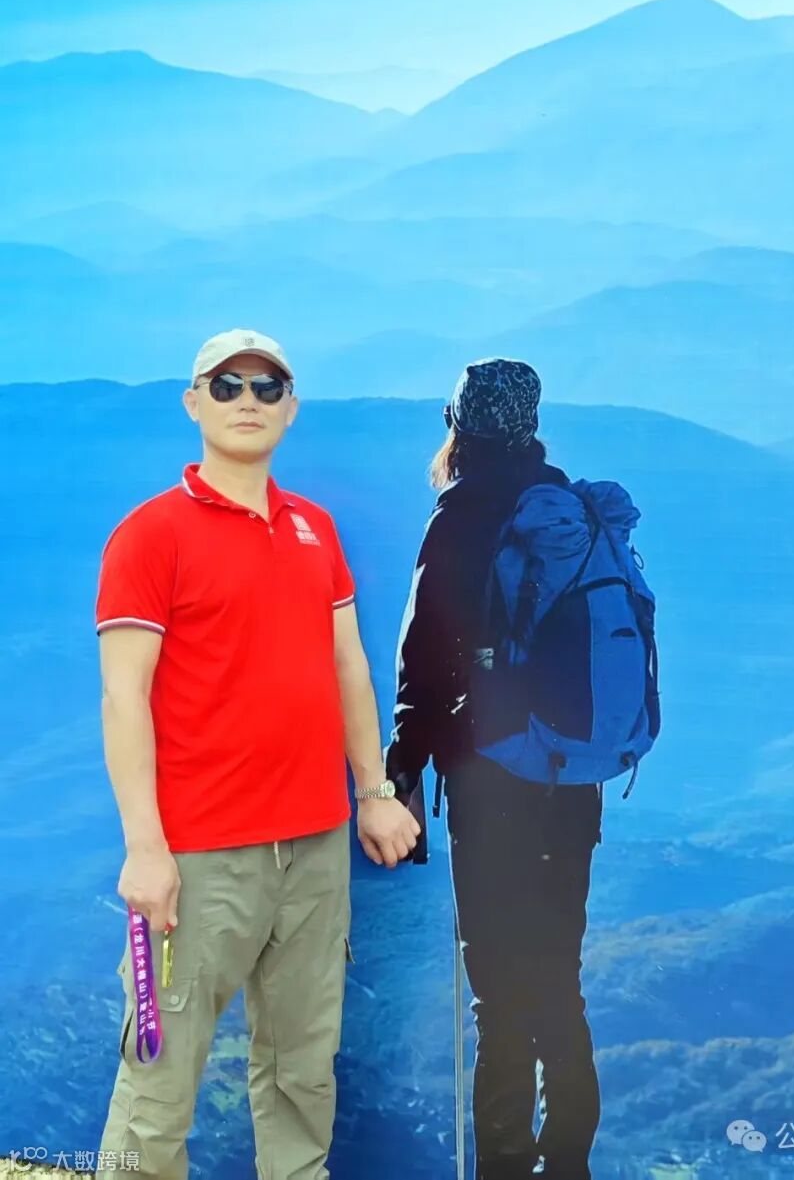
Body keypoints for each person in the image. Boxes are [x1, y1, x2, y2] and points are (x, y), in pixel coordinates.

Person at [94, 327, 419, 1180]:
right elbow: (124, 697)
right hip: (199, 857)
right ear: (193, 403)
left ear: (291, 408)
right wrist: (144, 847)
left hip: (315, 848)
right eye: (227, 385)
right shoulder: (149, 535)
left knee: (303, 1071)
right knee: (160, 1079)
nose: (248, 400)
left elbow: (347, 665)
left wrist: (374, 791)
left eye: (267, 387)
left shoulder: (315, 528)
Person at [385, 358, 605, 1180]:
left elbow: (422, 664)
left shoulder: (460, 519)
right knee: (559, 981)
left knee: (499, 996)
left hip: (487, 787)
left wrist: (402, 773)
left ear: (460, 428)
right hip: (570, 784)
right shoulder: (571, 515)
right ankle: (569, 1163)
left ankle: (506, 1166)